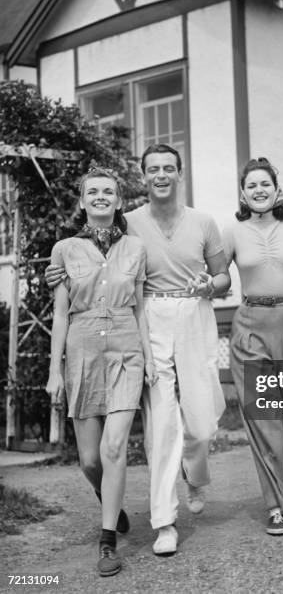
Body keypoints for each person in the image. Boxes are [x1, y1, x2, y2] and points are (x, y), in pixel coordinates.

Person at [46, 144, 230, 555]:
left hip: (192, 312)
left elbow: (224, 279)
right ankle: (165, 521)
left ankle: (195, 471)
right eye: (153, 169)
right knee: (161, 423)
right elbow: (90, 256)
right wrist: (57, 269)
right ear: (143, 177)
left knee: (202, 424)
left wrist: (210, 286)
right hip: (145, 321)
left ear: (180, 173)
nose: (161, 175)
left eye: (169, 168)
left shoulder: (201, 222)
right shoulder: (127, 222)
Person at [45, 166, 157, 577]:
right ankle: (104, 492)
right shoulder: (64, 250)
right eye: (92, 192)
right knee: (91, 459)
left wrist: (149, 360)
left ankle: (107, 540)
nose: (100, 197)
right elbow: (59, 314)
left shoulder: (136, 248)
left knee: (114, 450)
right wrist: (55, 371)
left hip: (127, 349)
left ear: (118, 200)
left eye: (107, 191)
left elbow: (141, 309)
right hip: (83, 349)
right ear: (82, 201)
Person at [223, 157, 283, 535]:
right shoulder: (231, 232)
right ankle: (276, 506)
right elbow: (215, 276)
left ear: (276, 189)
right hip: (250, 328)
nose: (259, 190)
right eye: (251, 186)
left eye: (265, 184)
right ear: (243, 194)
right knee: (264, 423)